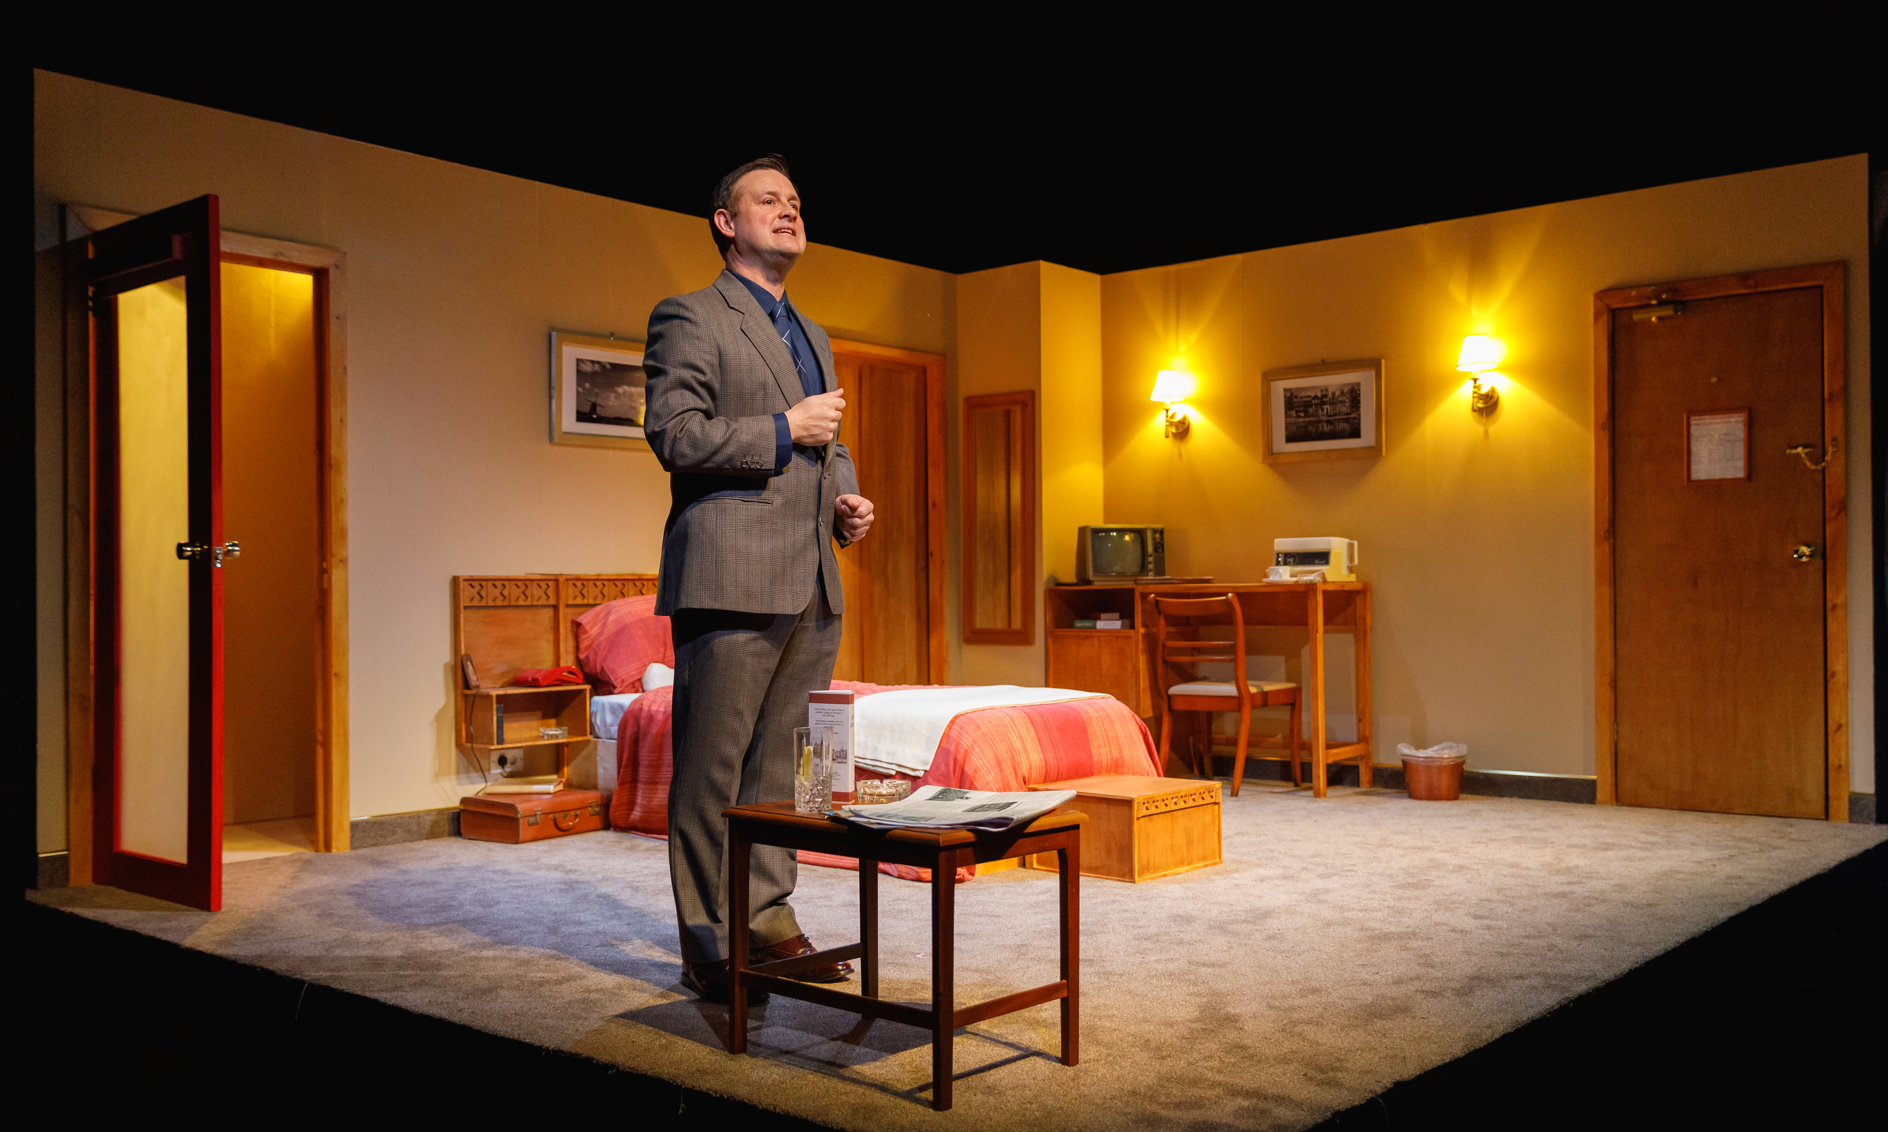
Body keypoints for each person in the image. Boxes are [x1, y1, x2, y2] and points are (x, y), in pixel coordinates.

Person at [641, 156, 875, 1003]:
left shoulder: (810, 332)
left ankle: (769, 918)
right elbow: (674, 434)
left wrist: (846, 500)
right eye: (768, 200)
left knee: (792, 768)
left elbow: (828, 441)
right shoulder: (690, 316)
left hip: (811, 579)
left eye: (796, 202)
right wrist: (783, 427)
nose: (789, 211)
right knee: (713, 769)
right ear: (725, 222)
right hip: (730, 577)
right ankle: (708, 938)